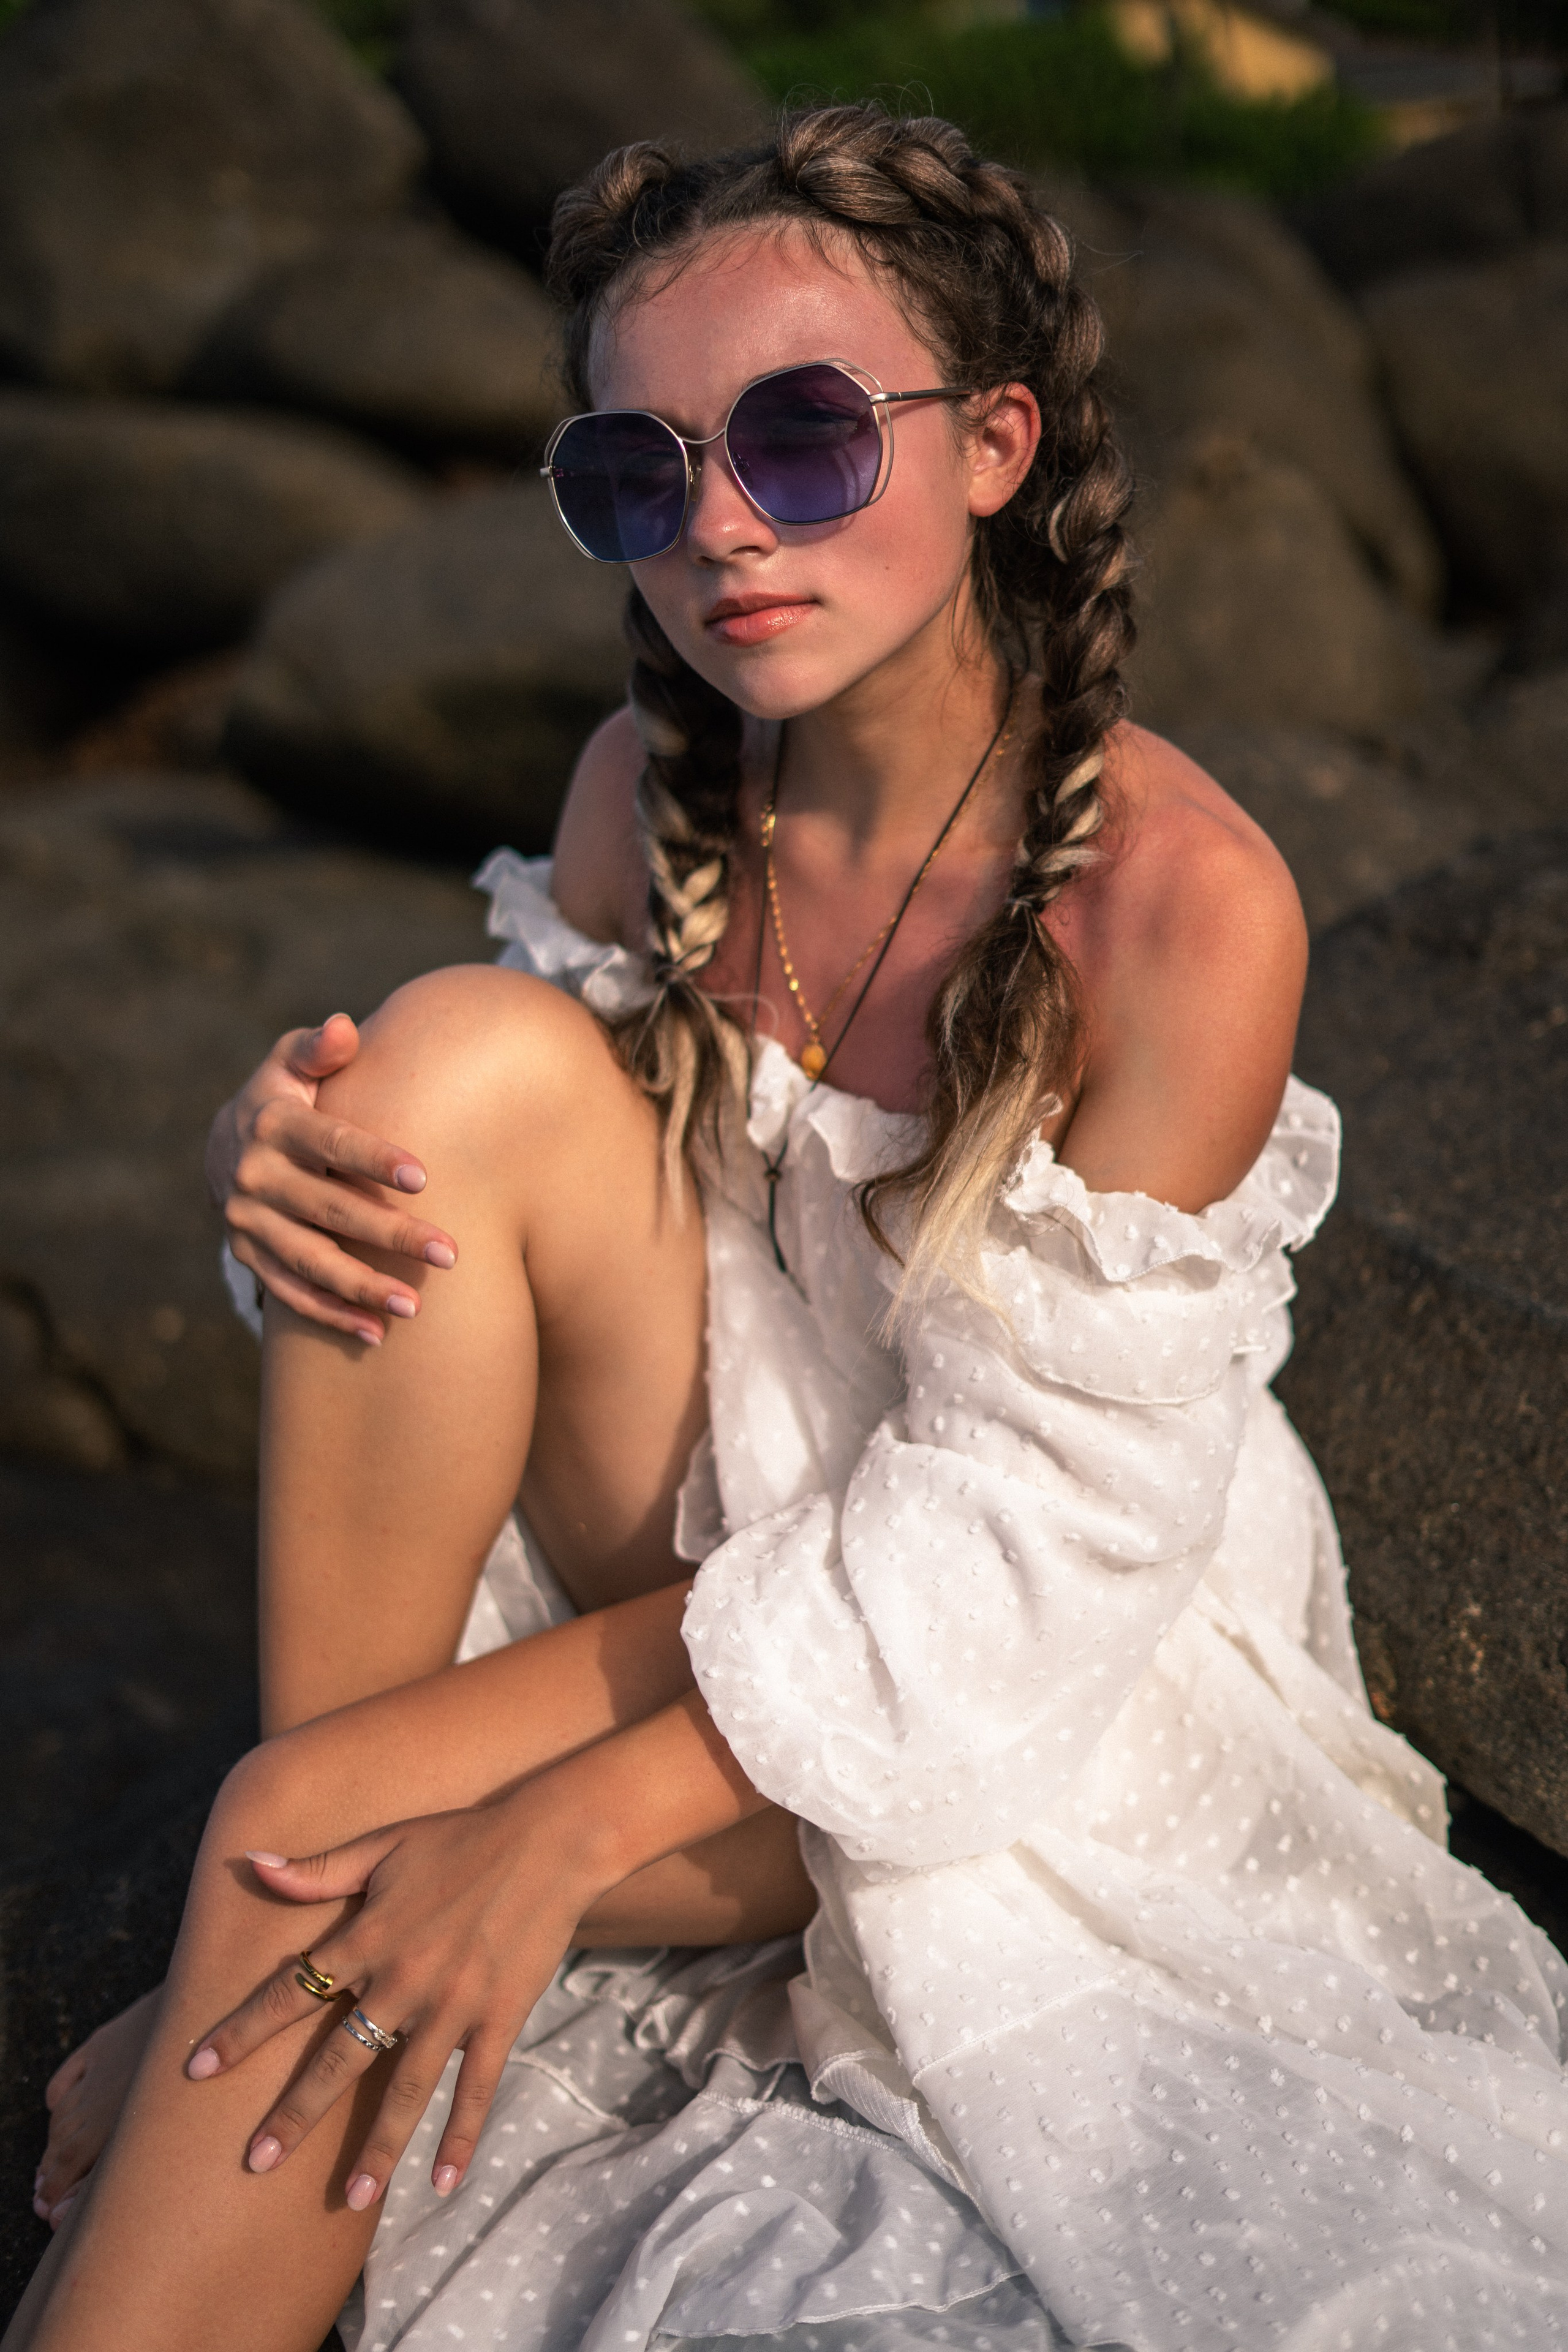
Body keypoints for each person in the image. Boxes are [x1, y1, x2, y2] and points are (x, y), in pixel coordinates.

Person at [13, 101, 1568, 2352]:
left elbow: (1025, 1555)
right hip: (715, 1529)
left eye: (807, 439)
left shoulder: (1179, 912)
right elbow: (477, 1246)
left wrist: (548, 1836)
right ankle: (301, 1932)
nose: (723, 527)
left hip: (1008, 1660)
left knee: (309, 1841)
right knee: (433, 1072)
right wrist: (286, 1156)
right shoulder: (652, 796)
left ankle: (286, 1939)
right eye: (637, 475)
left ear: (997, 443)